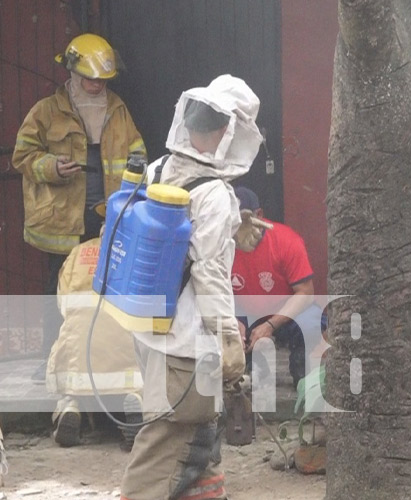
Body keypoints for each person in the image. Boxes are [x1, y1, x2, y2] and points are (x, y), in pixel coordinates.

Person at [120, 74, 259, 500]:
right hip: (187, 340)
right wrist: (228, 335)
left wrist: (233, 227)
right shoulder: (214, 192)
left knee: (201, 436)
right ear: (229, 132)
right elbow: (209, 271)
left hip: (150, 325)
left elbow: (172, 237)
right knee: (169, 439)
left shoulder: (160, 168)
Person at [12, 33, 146, 381]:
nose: (96, 85)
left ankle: (106, 361)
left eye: (102, 79)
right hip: (63, 220)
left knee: (110, 288)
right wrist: (51, 167)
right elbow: (22, 156)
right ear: (71, 72)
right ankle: (52, 362)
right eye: (89, 79)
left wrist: (134, 184)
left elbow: (137, 152)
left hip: (107, 215)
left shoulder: (117, 109)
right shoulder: (46, 111)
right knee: (57, 291)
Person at [47, 210, 144, 450]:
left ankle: (69, 408)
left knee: (64, 357)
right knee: (144, 368)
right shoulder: (136, 251)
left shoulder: (77, 253)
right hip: (124, 353)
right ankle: (136, 402)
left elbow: (63, 303)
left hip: (81, 352)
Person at [231, 186, 326, 388]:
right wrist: (231, 321)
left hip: (286, 312)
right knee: (219, 327)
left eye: (243, 220)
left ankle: (303, 376)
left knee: (311, 323)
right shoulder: (222, 245)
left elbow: (305, 293)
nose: (238, 227)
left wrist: (270, 326)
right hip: (246, 312)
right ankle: (244, 371)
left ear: (260, 215)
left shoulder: (286, 241)